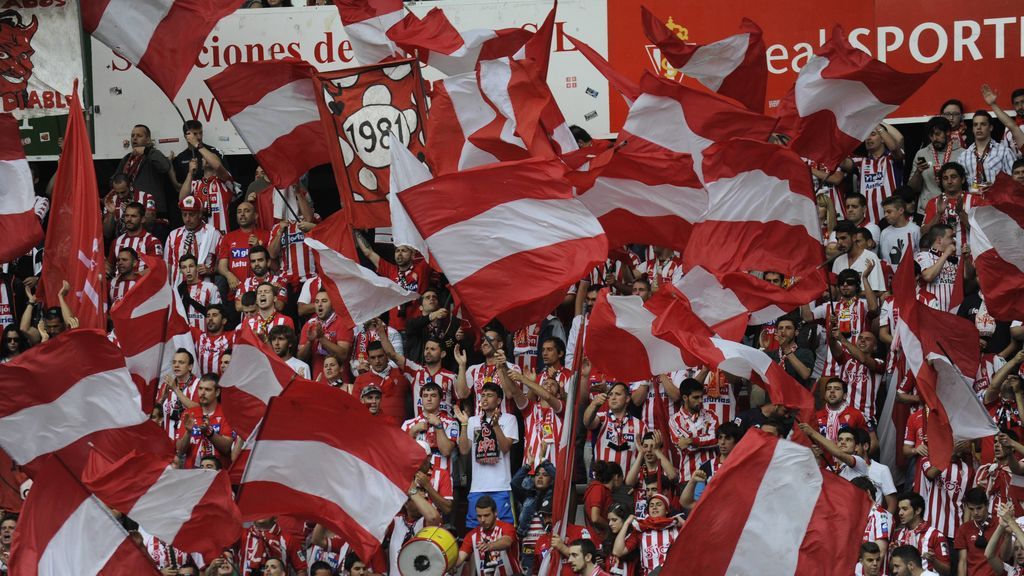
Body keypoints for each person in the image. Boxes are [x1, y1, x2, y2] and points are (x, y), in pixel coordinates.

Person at [456, 383, 518, 528]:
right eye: (482, 395)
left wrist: (495, 426)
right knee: (475, 529)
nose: (484, 399)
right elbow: (464, 450)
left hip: (501, 486)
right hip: (477, 487)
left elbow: (506, 448)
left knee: (505, 528)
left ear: (498, 400)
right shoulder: (473, 421)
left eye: (489, 395)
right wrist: (464, 425)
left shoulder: (509, 419)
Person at [376, 320, 455, 417]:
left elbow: (463, 397)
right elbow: (392, 354)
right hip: (421, 428)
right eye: (426, 349)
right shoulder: (415, 371)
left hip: (445, 428)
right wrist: (381, 331)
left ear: (442, 354)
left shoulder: (451, 376)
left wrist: (462, 365)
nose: (428, 352)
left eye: (432, 349)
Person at [355, 237, 431, 331]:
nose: (399, 253)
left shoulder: (421, 270)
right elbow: (368, 252)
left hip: (417, 328)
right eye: (397, 251)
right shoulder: (390, 270)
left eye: (404, 251)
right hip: (395, 330)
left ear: (413, 255)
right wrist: (356, 232)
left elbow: (432, 250)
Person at [840, 123, 905, 225]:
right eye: (866, 135)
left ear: (883, 138)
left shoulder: (891, 158)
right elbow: (843, 163)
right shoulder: (860, 162)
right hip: (868, 223)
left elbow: (896, 143)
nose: (868, 138)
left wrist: (876, 121)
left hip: (893, 221)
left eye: (873, 134)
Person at [401, 383, 459, 490]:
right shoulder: (408, 424)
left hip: (442, 479)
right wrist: (412, 431)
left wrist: (439, 426)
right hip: (414, 479)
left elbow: (446, 451)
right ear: (421, 399)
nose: (429, 399)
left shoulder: (451, 423)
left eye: (433, 395)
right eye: (425, 395)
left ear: (440, 399)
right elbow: (401, 455)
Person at [455, 327, 523, 415]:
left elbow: (509, 394)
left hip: (503, 422)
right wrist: (461, 366)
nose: (485, 343)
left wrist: (501, 369)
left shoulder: (513, 368)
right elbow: (462, 394)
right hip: (479, 423)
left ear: (499, 344)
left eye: (489, 340)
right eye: (483, 340)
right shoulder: (474, 369)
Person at [175, 373, 236, 469]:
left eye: (207, 389)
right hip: (192, 474)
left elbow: (226, 447)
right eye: (200, 388)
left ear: (217, 392)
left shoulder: (226, 414)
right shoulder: (189, 414)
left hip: (217, 475)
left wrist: (209, 432)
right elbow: (180, 450)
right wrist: (188, 432)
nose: (202, 393)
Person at [585, 382, 647, 473]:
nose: (613, 398)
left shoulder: (640, 426)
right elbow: (587, 422)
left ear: (627, 399)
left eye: (617, 394)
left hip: (628, 484)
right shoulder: (602, 418)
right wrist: (593, 405)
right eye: (610, 394)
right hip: (601, 483)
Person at [114, 124, 173, 217]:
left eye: (139, 136)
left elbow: (165, 166)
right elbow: (114, 181)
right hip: (131, 212)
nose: (134, 138)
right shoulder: (127, 159)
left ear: (148, 139)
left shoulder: (153, 154)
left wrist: (147, 151)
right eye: (132, 136)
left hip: (153, 211)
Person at [829, 326, 885, 424]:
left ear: (875, 347)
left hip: (865, 417)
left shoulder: (879, 363)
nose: (862, 341)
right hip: (841, 415)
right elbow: (832, 345)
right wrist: (832, 330)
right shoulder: (845, 359)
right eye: (860, 338)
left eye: (867, 339)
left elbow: (863, 359)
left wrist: (842, 339)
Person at [667, 378, 719, 481]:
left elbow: (716, 439)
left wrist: (691, 440)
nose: (700, 401)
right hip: (688, 476)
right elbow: (685, 448)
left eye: (701, 397)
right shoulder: (674, 420)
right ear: (685, 397)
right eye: (696, 397)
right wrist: (705, 438)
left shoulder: (711, 415)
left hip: (713, 475)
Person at [908, 116, 961, 215]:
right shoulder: (922, 154)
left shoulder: (962, 153)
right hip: (926, 211)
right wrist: (918, 172)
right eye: (931, 135)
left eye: (938, 134)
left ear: (948, 132)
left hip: (954, 211)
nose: (934, 138)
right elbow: (912, 189)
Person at [456, 495, 521, 576]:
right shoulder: (472, 535)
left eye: (486, 515)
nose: (482, 520)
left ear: (495, 513)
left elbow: (507, 542)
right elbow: (460, 558)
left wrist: (490, 546)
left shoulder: (507, 527)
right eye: (479, 516)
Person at [164, 195, 222, 284]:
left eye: (191, 215)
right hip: (178, 290)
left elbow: (223, 263)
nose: (187, 219)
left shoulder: (213, 233)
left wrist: (211, 270)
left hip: (205, 289)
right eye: (184, 215)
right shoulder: (173, 235)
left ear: (200, 214)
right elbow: (168, 265)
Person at [217, 201, 270, 297]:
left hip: (261, 292)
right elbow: (221, 266)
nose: (242, 214)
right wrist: (229, 275)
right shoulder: (228, 237)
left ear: (256, 215)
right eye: (239, 211)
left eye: (246, 211)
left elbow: (273, 265)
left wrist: (258, 247)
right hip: (235, 293)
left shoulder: (266, 235)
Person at [892, 492, 951, 575]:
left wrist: (934, 561)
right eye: (899, 509)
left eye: (904, 509)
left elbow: (947, 571)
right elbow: (894, 569)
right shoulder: (898, 535)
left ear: (918, 510)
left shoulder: (936, 535)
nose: (900, 513)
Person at [298, 290, 351, 382]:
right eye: (317, 302)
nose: (320, 304)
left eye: (324, 301)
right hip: (318, 382)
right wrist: (310, 342)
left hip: (340, 383)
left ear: (333, 304)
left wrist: (321, 338)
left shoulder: (342, 323)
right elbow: (300, 358)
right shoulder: (309, 325)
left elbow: (343, 355)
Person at [511, 461, 555, 572]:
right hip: (528, 549)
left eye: (545, 475)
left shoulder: (554, 497)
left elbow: (560, 481)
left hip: (546, 547)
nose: (540, 477)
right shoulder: (526, 496)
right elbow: (514, 483)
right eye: (537, 474)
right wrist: (527, 466)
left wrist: (545, 463)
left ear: (551, 480)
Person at [354, 340, 410, 422]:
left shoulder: (402, 375)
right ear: (368, 359)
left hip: (400, 431)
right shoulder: (360, 380)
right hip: (373, 431)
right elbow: (355, 408)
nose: (377, 361)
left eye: (380, 356)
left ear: (387, 356)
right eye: (373, 358)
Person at [958, 110, 1016, 189]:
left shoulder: (1004, 152)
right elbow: (961, 186)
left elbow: (1015, 181)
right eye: (975, 125)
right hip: (974, 199)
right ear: (972, 129)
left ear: (991, 127)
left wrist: (995, 187)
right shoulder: (963, 156)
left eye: (983, 124)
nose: (978, 127)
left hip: (999, 199)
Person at [626, 431, 678, 517]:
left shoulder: (666, 469)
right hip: (642, 519)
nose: (649, 450)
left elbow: (673, 476)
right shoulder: (639, 471)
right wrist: (641, 453)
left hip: (663, 519)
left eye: (653, 446)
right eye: (645, 446)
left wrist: (657, 450)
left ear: (661, 449)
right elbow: (629, 482)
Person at [180, 156, 234, 235]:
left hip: (221, 236)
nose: (207, 159)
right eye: (204, 158)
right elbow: (182, 199)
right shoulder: (195, 184)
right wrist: (190, 173)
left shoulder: (224, 182)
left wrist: (198, 146)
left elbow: (217, 166)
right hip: (200, 237)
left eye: (210, 157)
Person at [796, 423, 869, 480]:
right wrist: (818, 460)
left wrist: (812, 433)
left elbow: (839, 454)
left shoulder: (860, 462)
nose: (843, 442)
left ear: (856, 447)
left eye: (848, 440)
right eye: (840, 440)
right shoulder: (830, 469)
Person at [829, 221, 886, 293]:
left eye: (843, 238)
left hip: (865, 304)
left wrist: (851, 293)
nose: (839, 243)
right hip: (843, 304)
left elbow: (877, 292)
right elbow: (837, 293)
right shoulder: (837, 261)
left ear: (854, 237)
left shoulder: (870, 257)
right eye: (837, 239)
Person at [915, 224, 960, 312]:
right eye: (951, 237)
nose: (954, 240)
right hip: (932, 312)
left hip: (954, 313)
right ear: (939, 240)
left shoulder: (955, 259)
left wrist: (965, 260)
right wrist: (946, 254)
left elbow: (968, 278)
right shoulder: (924, 256)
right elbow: (928, 276)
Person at [156, 349, 200, 437]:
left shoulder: (198, 384)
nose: (176, 365)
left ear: (190, 367)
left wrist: (175, 389)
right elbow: (156, 412)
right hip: (169, 440)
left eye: (181, 362)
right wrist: (162, 399)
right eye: (174, 362)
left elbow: (198, 409)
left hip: (190, 440)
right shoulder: (165, 385)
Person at [954, 487, 997, 576]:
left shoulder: (999, 524)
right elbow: (962, 562)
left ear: (987, 505)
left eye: (979, 508)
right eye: (971, 509)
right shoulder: (963, 529)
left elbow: (1006, 556)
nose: (975, 513)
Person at [102, 173, 157, 241]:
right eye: (117, 193)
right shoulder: (111, 201)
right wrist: (111, 214)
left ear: (130, 186)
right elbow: (107, 234)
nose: (120, 196)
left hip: (143, 241)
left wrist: (133, 210)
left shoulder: (147, 197)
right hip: (120, 243)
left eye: (123, 192)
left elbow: (150, 225)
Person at [109, 201, 162, 269]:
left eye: (133, 216)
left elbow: (156, 268)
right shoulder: (116, 242)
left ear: (142, 219)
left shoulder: (152, 242)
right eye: (127, 216)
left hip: (144, 279)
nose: (129, 219)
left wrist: (133, 277)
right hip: (119, 279)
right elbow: (110, 266)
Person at [233, 246, 287, 312]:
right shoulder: (244, 283)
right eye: (253, 261)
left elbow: (279, 306)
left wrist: (248, 302)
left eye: (260, 260)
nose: (256, 264)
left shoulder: (280, 281)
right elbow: (238, 307)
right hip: (249, 322)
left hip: (273, 322)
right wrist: (269, 301)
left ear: (268, 262)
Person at [177, 253, 222, 331]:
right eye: (184, 267)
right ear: (180, 270)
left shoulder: (211, 288)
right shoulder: (178, 291)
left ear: (197, 268)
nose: (188, 271)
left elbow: (218, 315)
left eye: (191, 266)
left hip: (205, 338)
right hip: (186, 337)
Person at [582, 461, 622, 543]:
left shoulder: (602, 490)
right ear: (616, 477)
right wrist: (609, 526)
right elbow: (595, 518)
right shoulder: (598, 489)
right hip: (598, 538)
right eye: (622, 477)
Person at [879, 194, 921, 270]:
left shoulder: (915, 230)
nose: (885, 215)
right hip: (890, 277)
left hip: (910, 274)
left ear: (901, 210)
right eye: (884, 212)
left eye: (889, 212)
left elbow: (919, 253)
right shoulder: (884, 233)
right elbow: (884, 258)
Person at [192, 303, 234, 376]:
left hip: (222, 385)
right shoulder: (198, 336)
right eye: (208, 316)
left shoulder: (232, 336)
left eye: (214, 315)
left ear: (224, 321)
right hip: (202, 385)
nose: (210, 318)